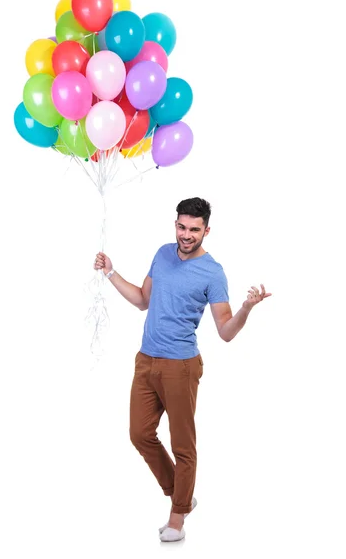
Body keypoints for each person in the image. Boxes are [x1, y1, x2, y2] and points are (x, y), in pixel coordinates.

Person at [93, 197, 271, 542]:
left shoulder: (213, 272)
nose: (186, 234)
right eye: (181, 226)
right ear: (175, 224)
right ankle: (183, 495)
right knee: (139, 434)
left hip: (181, 366)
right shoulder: (162, 254)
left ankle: (177, 518)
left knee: (183, 445)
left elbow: (225, 331)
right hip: (146, 359)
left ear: (206, 230)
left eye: (193, 229)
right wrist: (111, 272)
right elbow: (143, 300)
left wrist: (247, 308)